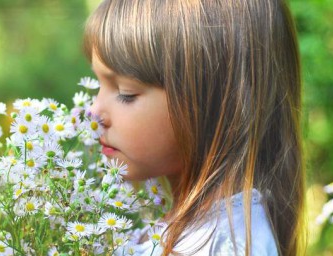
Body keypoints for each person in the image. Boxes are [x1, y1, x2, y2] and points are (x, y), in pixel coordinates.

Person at [85, 0, 305, 255]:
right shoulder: (187, 232)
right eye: (98, 84)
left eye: (126, 93)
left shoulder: (225, 245)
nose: (93, 112)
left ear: (214, 102)